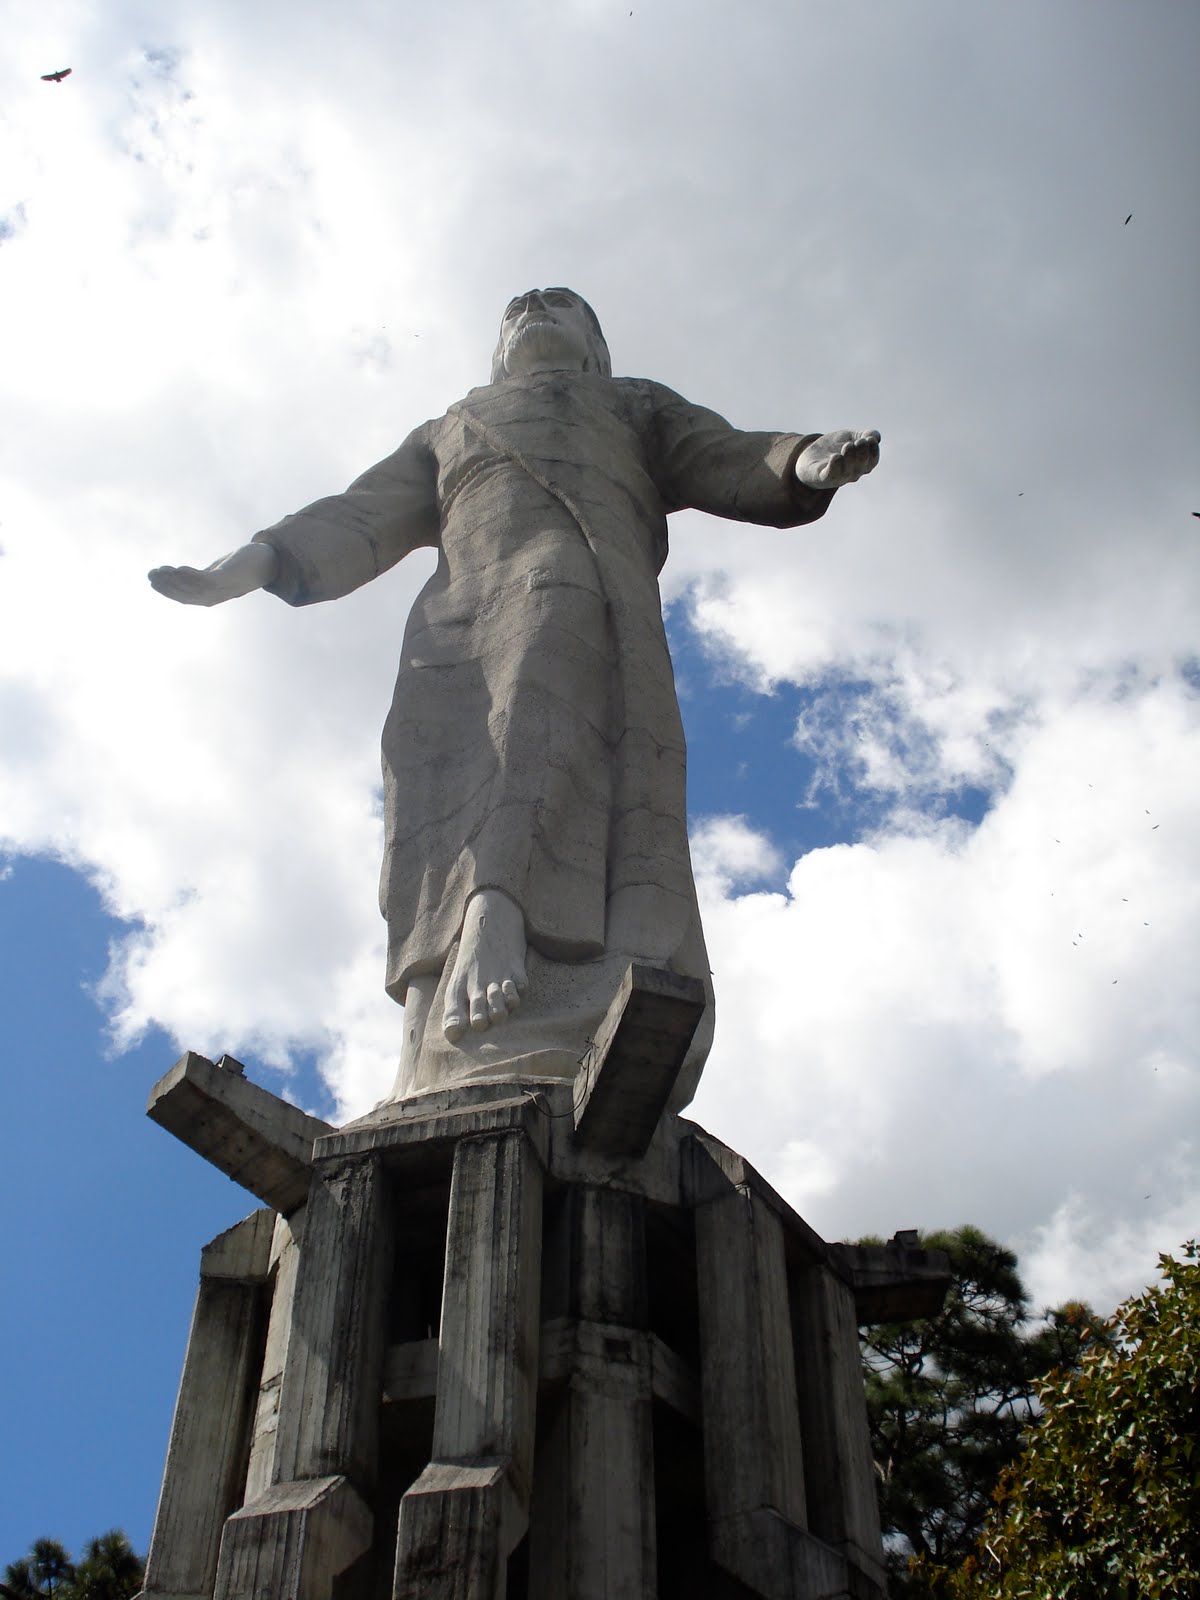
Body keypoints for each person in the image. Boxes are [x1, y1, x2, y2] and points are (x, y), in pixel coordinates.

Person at [150, 288, 880, 1106]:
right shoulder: (450, 428)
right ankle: (437, 1019)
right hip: (450, 636)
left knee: (546, 726)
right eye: (518, 309)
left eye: (562, 306)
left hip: (580, 590)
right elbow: (357, 516)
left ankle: (503, 921)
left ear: (598, 351)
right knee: (431, 808)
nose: (535, 307)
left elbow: (726, 454)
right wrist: (239, 570)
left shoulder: (630, 402)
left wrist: (805, 460)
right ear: (496, 353)